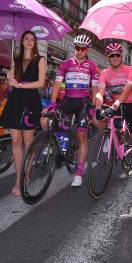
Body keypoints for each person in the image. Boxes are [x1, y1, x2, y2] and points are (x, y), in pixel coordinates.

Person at [45, 34, 99, 187]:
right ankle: (62, 143)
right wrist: (53, 102)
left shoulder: (93, 66)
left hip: (83, 102)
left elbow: (94, 88)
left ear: (87, 50)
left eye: (82, 49)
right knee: (50, 120)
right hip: (68, 99)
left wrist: (93, 106)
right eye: (77, 48)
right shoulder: (65, 63)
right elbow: (57, 84)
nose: (79, 51)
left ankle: (79, 173)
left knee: (82, 135)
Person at [0, 31, 46, 196]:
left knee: (28, 141)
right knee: (15, 141)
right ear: (21, 41)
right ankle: (18, 177)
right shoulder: (15, 60)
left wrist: (20, 85)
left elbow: (40, 83)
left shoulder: (41, 60)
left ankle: (26, 174)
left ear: (35, 43)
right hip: (15, 102)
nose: (29, 41)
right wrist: (10, 79)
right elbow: (12, 85)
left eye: (32, 39)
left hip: (31, 102)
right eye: (26, 38)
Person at [95, 42, 132, 200]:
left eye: (118, 55)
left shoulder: (130, 70)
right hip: (116, 106)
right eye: (112, 55)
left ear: (122, 56)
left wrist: (115, 104)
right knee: (106, 119)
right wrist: (98, 106)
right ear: (108, 57)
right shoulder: (104, 72)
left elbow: (128, 89)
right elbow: (100, 92)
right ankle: (112, 138)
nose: (115, 57)